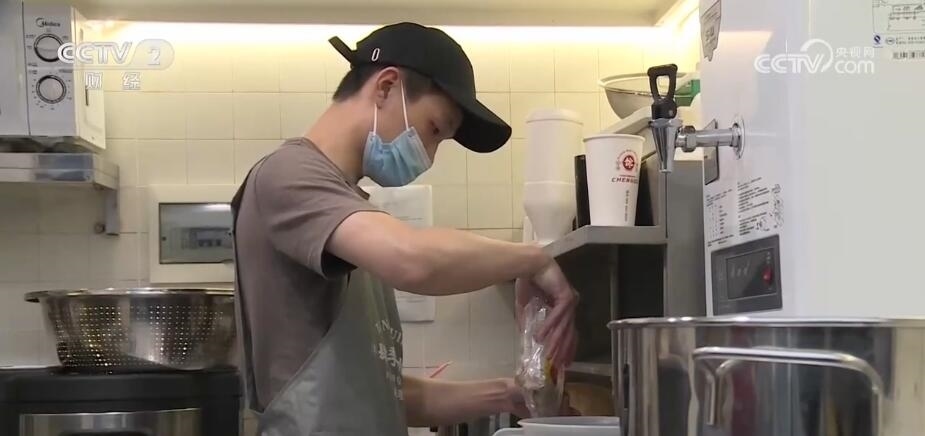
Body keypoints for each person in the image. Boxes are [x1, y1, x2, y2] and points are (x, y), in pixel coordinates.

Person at [230, 22, 579, 436]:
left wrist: (509, 395)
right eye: (434, 129)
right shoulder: (288, 174)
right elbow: (414, 260)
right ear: (385, 87)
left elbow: (386, 393)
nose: (429, 156)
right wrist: (533, 260)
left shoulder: (350, 210)